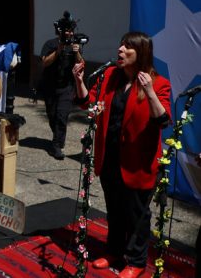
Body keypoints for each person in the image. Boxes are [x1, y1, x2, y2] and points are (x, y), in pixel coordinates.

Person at [72, 31, 171, 278]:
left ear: (142, 53)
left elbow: (163, 120)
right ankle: (114, 251)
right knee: (114, 210)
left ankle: (136, 261)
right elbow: (91, 105)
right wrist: (79, 81)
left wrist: (148, 91)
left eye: (128, 48)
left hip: (138, 162)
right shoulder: (110, 77)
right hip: (110, 158)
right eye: (120, 46)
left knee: (137, 214)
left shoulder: (159, 83)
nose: (120, 51)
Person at [39, 11, 83, 160]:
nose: (69, 33)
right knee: (52, 116)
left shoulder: (74, 45)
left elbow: (81, 64)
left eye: (71, 30)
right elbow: (44, 62)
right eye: (67, 30)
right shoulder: (50, 44)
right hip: (50, 87)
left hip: (67, 87)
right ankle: (58, 138)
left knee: (61, 116)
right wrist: (58, 51)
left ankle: (56, 146)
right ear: (60, 31)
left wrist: (77, 53)